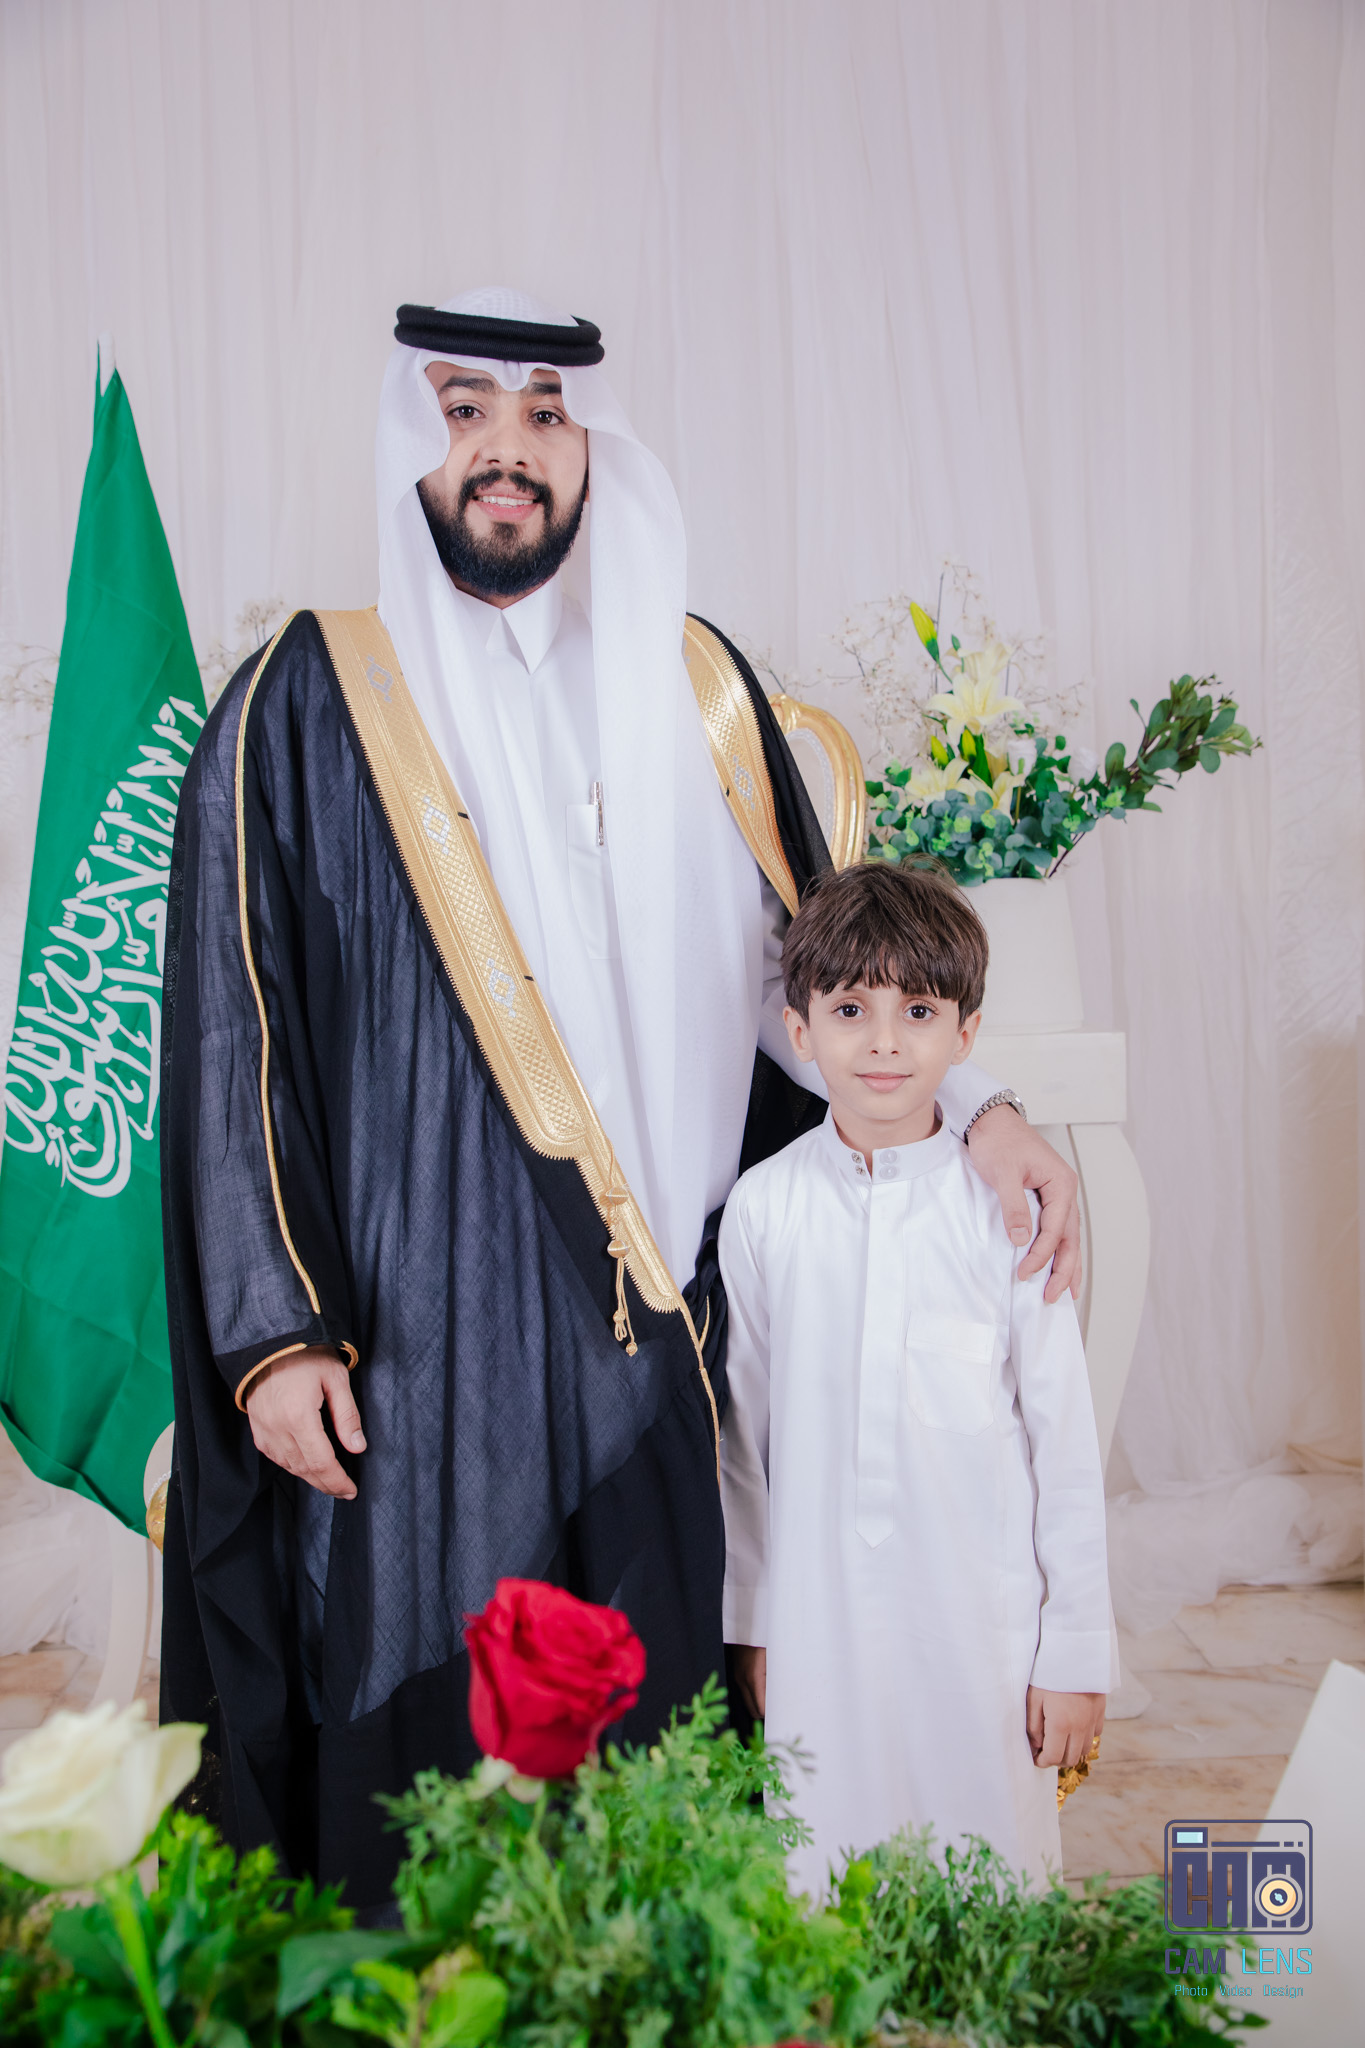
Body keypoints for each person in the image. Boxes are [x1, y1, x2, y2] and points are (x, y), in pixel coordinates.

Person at [160, 286, 1084, 1909]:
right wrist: (275, 1332)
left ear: (597, 442)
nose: (505, 450)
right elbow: (233, 1029)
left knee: (662, 1752)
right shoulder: (303, 699)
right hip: (419, 1348)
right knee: (428, 1757)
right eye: (464, 410)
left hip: (667, 1328)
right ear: (414, 436)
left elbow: (817, 979)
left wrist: (983, 1108)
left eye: (545, 413)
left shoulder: (700, 689)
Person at [720, 862, 1116, 1896]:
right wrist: (753, 1623)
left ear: (966, 1034)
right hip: (817, 1625)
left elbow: (1063, 1442)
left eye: (920, 1010)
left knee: (988, 1893)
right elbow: (743, 1442)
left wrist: (1075, 1650)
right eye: (851, 1009)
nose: (884, 1042)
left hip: (982, 1626)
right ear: (799, 1030)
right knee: (823, 1890)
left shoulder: (1008, 1211)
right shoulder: (764, 1208)